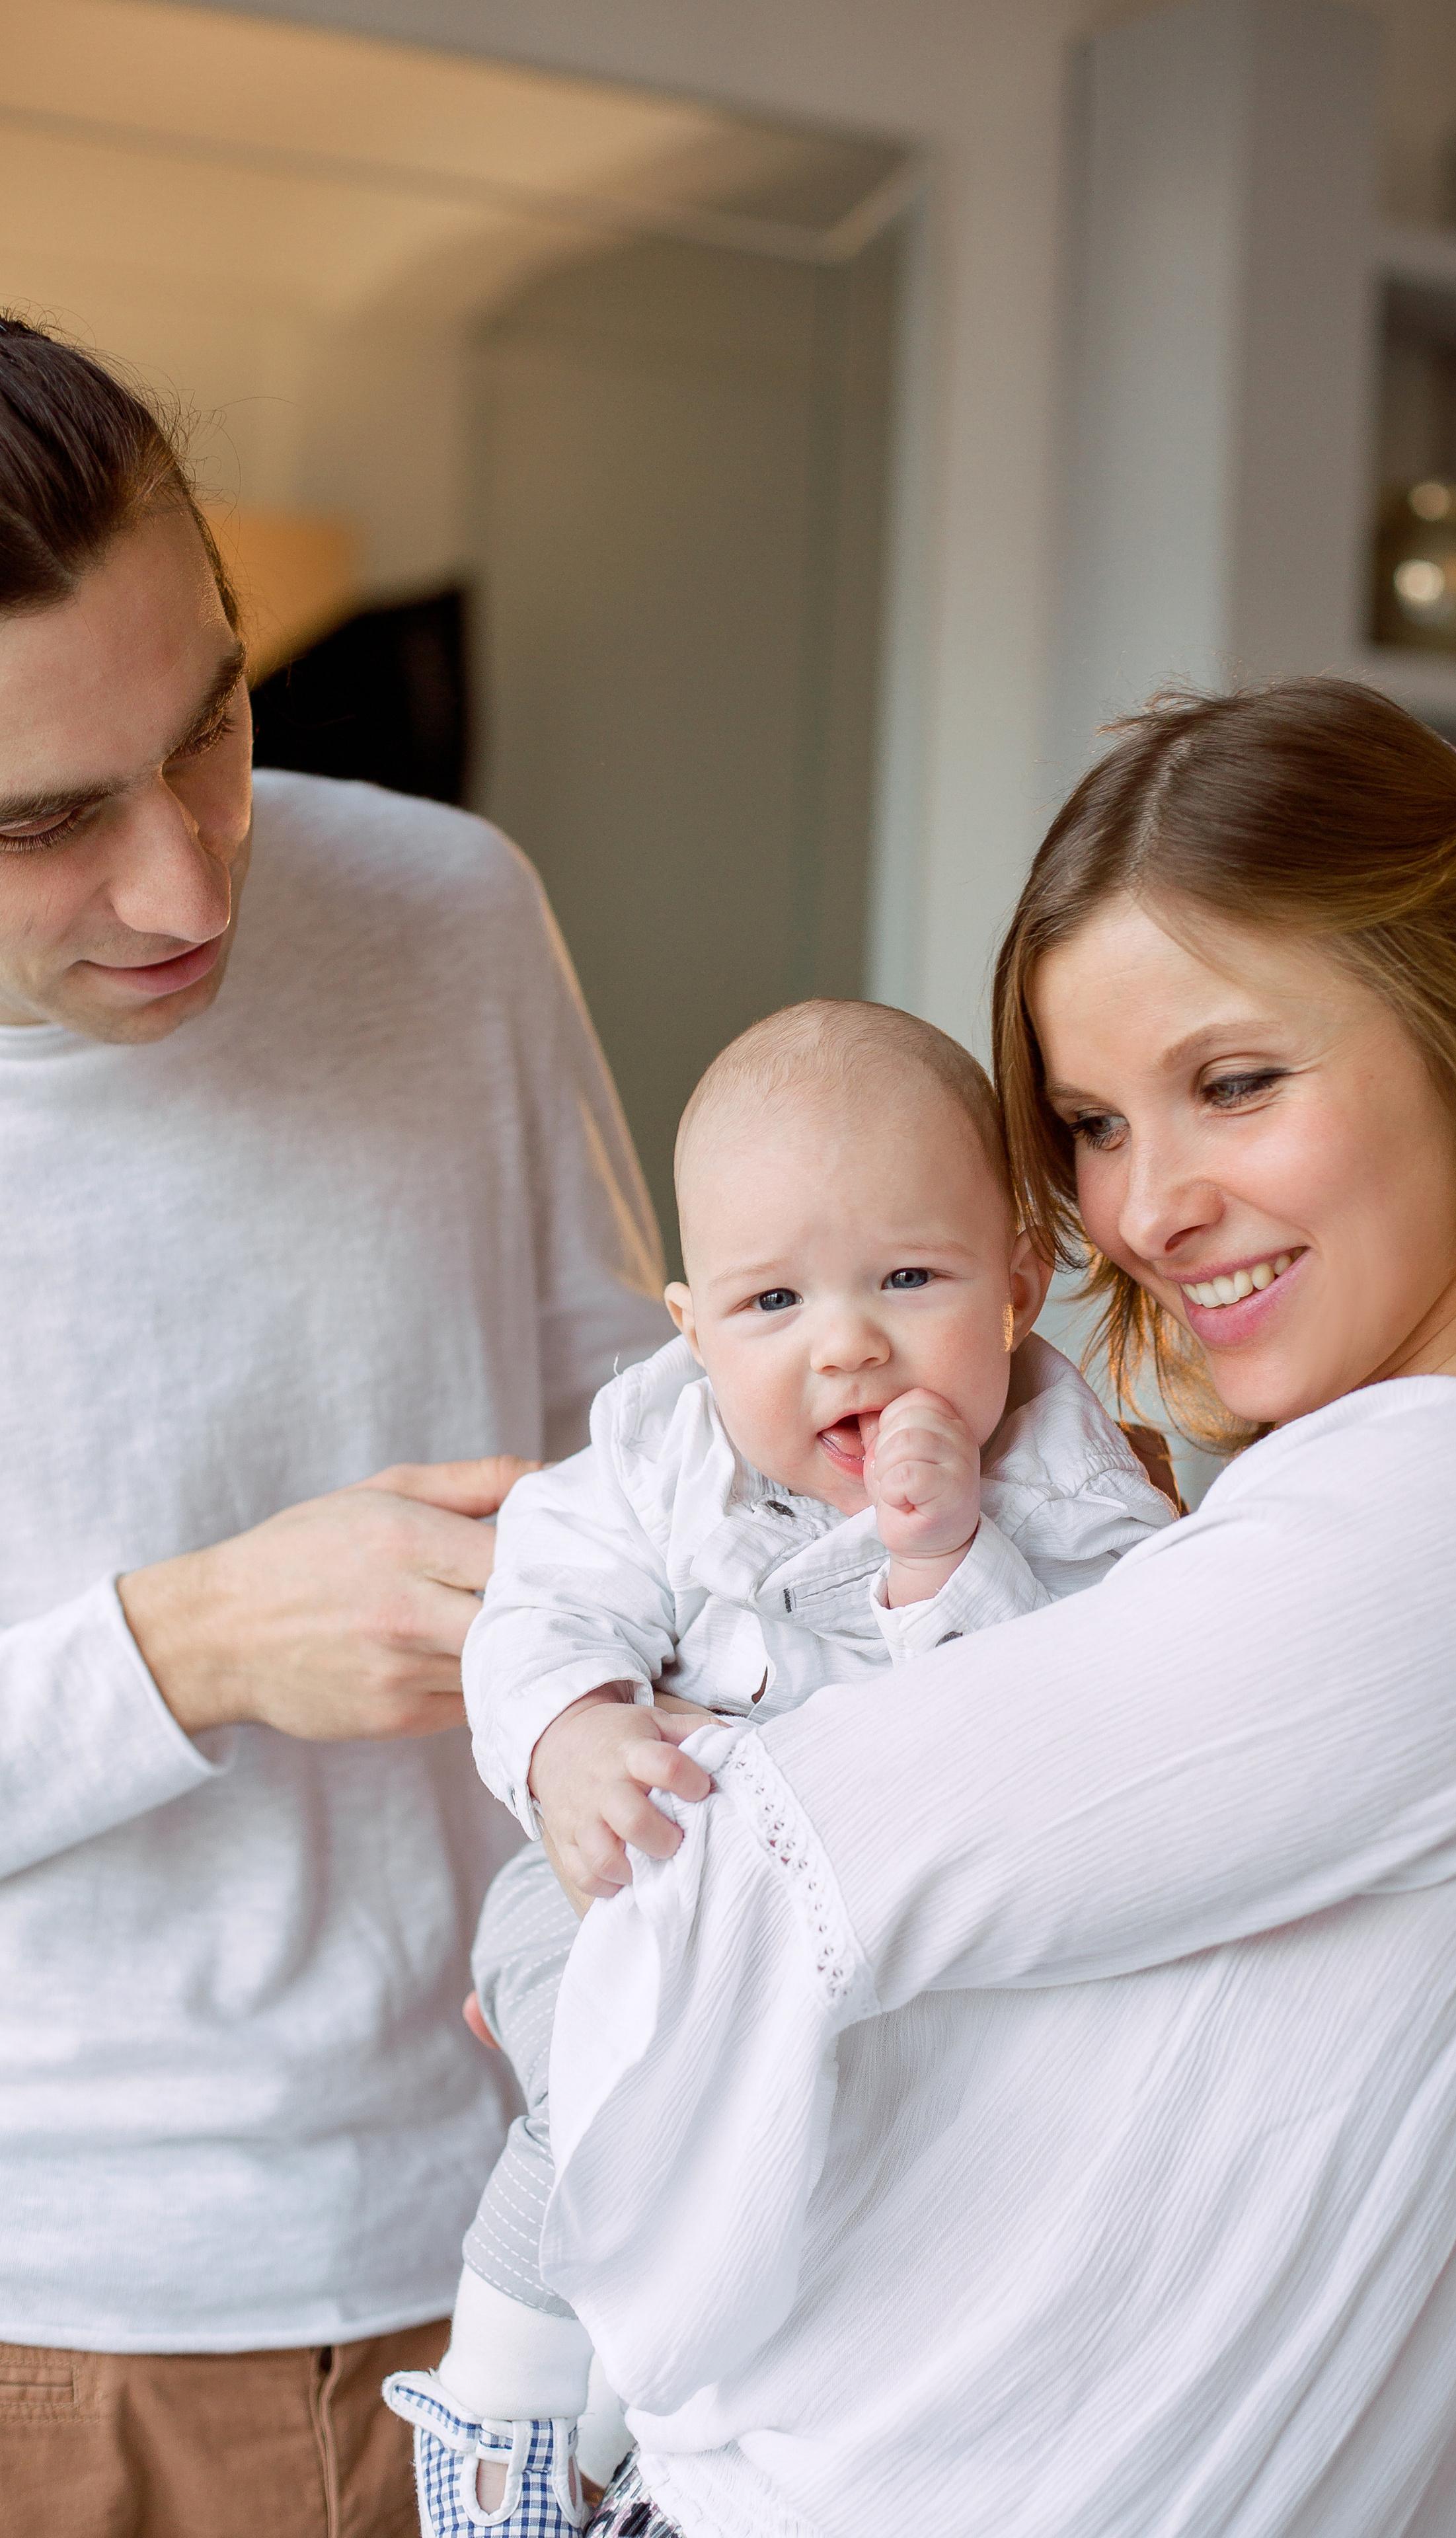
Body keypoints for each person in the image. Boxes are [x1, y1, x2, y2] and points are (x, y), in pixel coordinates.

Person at [527, 680, 1456, 2538]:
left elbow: (754, 1872)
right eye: (1088, 1125)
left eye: (1236, 1082)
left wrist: (603, 2344)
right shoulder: (1345, 1504)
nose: (1148, 1211)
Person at [0, 316, 670, 2537]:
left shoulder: (451, 916)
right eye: (46, 825)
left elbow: (646, 1478)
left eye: (216, 731)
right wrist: (189, 1645)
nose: (192, 885)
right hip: (52, 2335)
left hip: (528, 2253)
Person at [383, 999, 1176, 2532]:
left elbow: (1086, 1738)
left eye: (906, 1277)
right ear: (689, 1329)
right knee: (609, 2106)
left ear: (1018, 1277)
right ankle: (498, 2449)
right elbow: (538, 1601)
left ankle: (657, 2454)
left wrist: (943, 1561)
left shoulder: (1078, 1492)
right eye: (769, 1304)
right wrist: (570, 1733)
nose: (844, 1342)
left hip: (873, 1977)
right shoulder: (656, 1449)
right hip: (628, 1876)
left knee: (817, 2184)